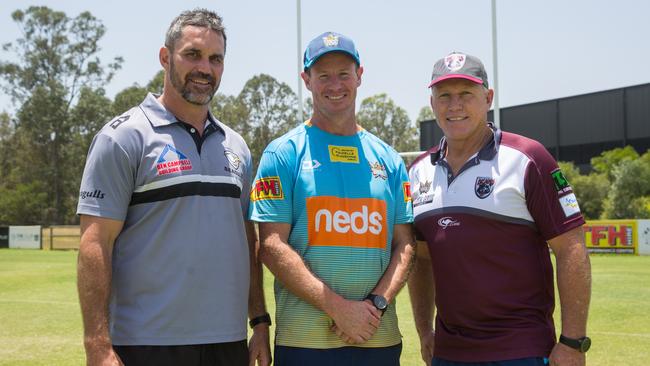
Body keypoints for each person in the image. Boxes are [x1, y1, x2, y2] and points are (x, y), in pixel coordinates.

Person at [76, 9, 271, 366]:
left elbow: (248, 240)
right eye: (193, 55)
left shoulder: (237, 146)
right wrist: (97, 346)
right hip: (145, 344)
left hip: (227, 342)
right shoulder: (122, 138)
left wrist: (258, 321)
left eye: (215, 59)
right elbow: (95, 243)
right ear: (165, 57)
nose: (205, 69)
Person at [407, 52, 592, 366]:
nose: (455, 106)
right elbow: (421, 261)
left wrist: (573, 342)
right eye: (444, 96)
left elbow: (570, 247)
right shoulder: (418, 171)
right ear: (432, 101)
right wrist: (425, 330)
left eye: (466, 94)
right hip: (449, 354)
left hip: (520, 349)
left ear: (488, 97)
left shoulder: (528, 158)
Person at [248, 32, 416, 366]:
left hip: (378, 338)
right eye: (323, 75)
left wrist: (376, 305)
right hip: (305, 343)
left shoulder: (389, 159)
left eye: (344, 73)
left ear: (360, 76)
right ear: (306, 80)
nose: (334, 84)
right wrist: (340, 310)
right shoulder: (282, 154)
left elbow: (406, 246)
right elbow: (270, 246)